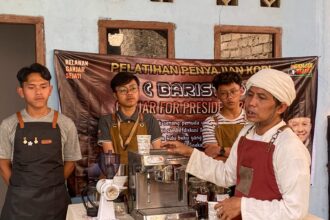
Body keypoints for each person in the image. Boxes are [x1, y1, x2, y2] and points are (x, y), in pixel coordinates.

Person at [162, 69, 311, 220]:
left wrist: (242, 205)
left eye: (262, 98)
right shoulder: (246, 133)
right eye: (251, 94)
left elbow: (295, 210)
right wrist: (189, 152)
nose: (251, 103)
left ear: (281, 107)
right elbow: (227, 175)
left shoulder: (290, 147)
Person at [0, 63, 82, 220]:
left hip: (55, 201)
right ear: (21, 92)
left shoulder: (65, 124)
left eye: (43, 86)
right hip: (19, 204)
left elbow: (71, 162)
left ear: (50, 90)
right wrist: (20, 189)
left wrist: (53, 185)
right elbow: (3, 164)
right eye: (31, 87)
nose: (38, 92)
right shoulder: (8, 125)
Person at [98, 71, 162, 164]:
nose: (129, 93)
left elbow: (157, 154)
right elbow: (110, 159)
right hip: (117, 174)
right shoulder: (106, 121)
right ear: (115, 95)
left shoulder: (149, 119)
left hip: (142, 174)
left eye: (133, 88)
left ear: (138, 91)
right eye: (123, 90)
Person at [202, 72, 246, 161]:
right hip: (221, 173)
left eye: (233, 91)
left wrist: (221, 150)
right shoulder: (211, 122)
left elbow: (257, 153)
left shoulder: (252, 120)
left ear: (241, 91)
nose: (229, 97)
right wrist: (242, 156)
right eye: (223, 93)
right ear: (217, 94)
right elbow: (211, 154)